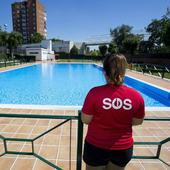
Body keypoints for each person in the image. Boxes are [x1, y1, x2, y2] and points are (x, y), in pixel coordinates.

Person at [81, 54, 145, 170]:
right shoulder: (136, 96)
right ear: (124, 71)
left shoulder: (94, 93)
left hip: (96, 146)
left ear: (104, 72)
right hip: (123, 149)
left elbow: (85, 119)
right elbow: (138, 121)